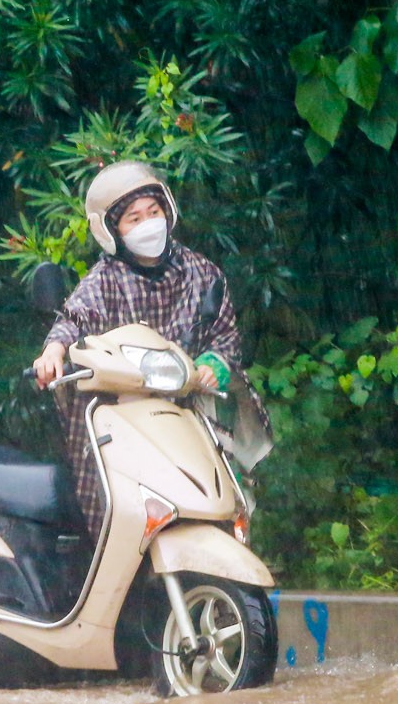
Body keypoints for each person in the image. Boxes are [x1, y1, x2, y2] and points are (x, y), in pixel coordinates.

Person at [31, 161, 263, 535]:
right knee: (111, 498)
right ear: (112, 231)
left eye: (153, 212)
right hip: (123, 416)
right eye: (133, 219)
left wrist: (213, 365)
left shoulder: (202, 273)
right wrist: (54, 351)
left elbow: (225, 336)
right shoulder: (104, 280)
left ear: (168, 211)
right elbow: (74, 318)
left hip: (188, 409)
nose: (147, 224)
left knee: (222, 496)